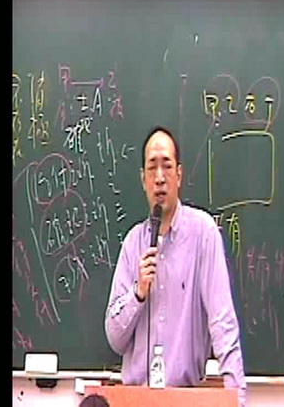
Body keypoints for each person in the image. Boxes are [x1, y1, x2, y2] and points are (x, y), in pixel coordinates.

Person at [105, 126, 246, 406]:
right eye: (152, 168)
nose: (160, 178)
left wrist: (237, 400)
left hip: (186, 398)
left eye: (167, 166)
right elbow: (115, 339)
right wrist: (138, 293)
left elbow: (223, 323)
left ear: (179, 175)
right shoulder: (133, 243)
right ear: (143, 179)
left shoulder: (203, 234)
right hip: (135, 399)